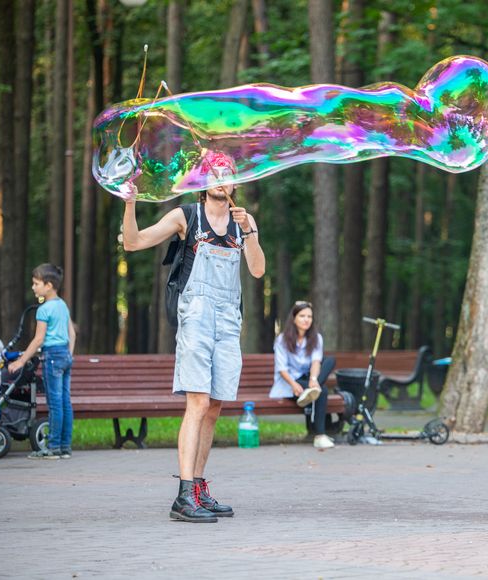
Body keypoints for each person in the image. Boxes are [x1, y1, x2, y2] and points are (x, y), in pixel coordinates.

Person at [122, 150, 265, 523]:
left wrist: (250, 231)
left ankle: (198, 487)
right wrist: (130, 202)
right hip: (197, 317)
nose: (222, 178)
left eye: (228, 173)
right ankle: (183, 496)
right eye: (215, 173)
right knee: (198, 404)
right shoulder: (186, 216)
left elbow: (258, 269)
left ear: (235, 183)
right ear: (203, 182)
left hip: (229, 321)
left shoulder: (241, 222)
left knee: (215, 407)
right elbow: (133, 242)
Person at [8, 264, 76, 460]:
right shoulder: (62, 305)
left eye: (36, 283)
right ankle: (65, 446)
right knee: (65, 401)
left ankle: (53, 447)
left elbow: (38, 339)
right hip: (64, 355)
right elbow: (72, 333)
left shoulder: (44, 309)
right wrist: (69, 354)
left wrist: (21, 361)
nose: (33, 287)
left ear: (49, 285)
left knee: (55, 404)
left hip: (53, 357)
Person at [269, 301, 337, 449]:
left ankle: (312, 390)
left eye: (309, 316)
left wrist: (314, 380)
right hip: (290, 382)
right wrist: (294, 385)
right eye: (302, 316)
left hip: (308, 379)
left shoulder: (316, 338)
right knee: (323, 391)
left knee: (330, 360)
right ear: (294, 318)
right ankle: (320, 436)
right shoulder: (282, 339)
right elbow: (281, 368)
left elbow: (316, 362)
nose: (306, 319)